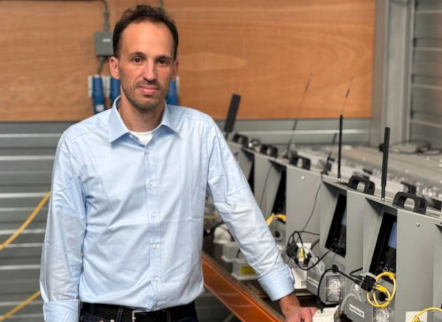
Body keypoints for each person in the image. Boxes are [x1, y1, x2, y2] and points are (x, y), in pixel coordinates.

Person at [40, 5, 316, 322]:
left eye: (161, 61)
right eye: (137, 59)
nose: (149, 73)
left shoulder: (200, 133)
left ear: (174, 69)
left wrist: (289, 302)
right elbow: (62, 251)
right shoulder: (79, 144)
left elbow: (243, 215)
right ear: (115, 67)